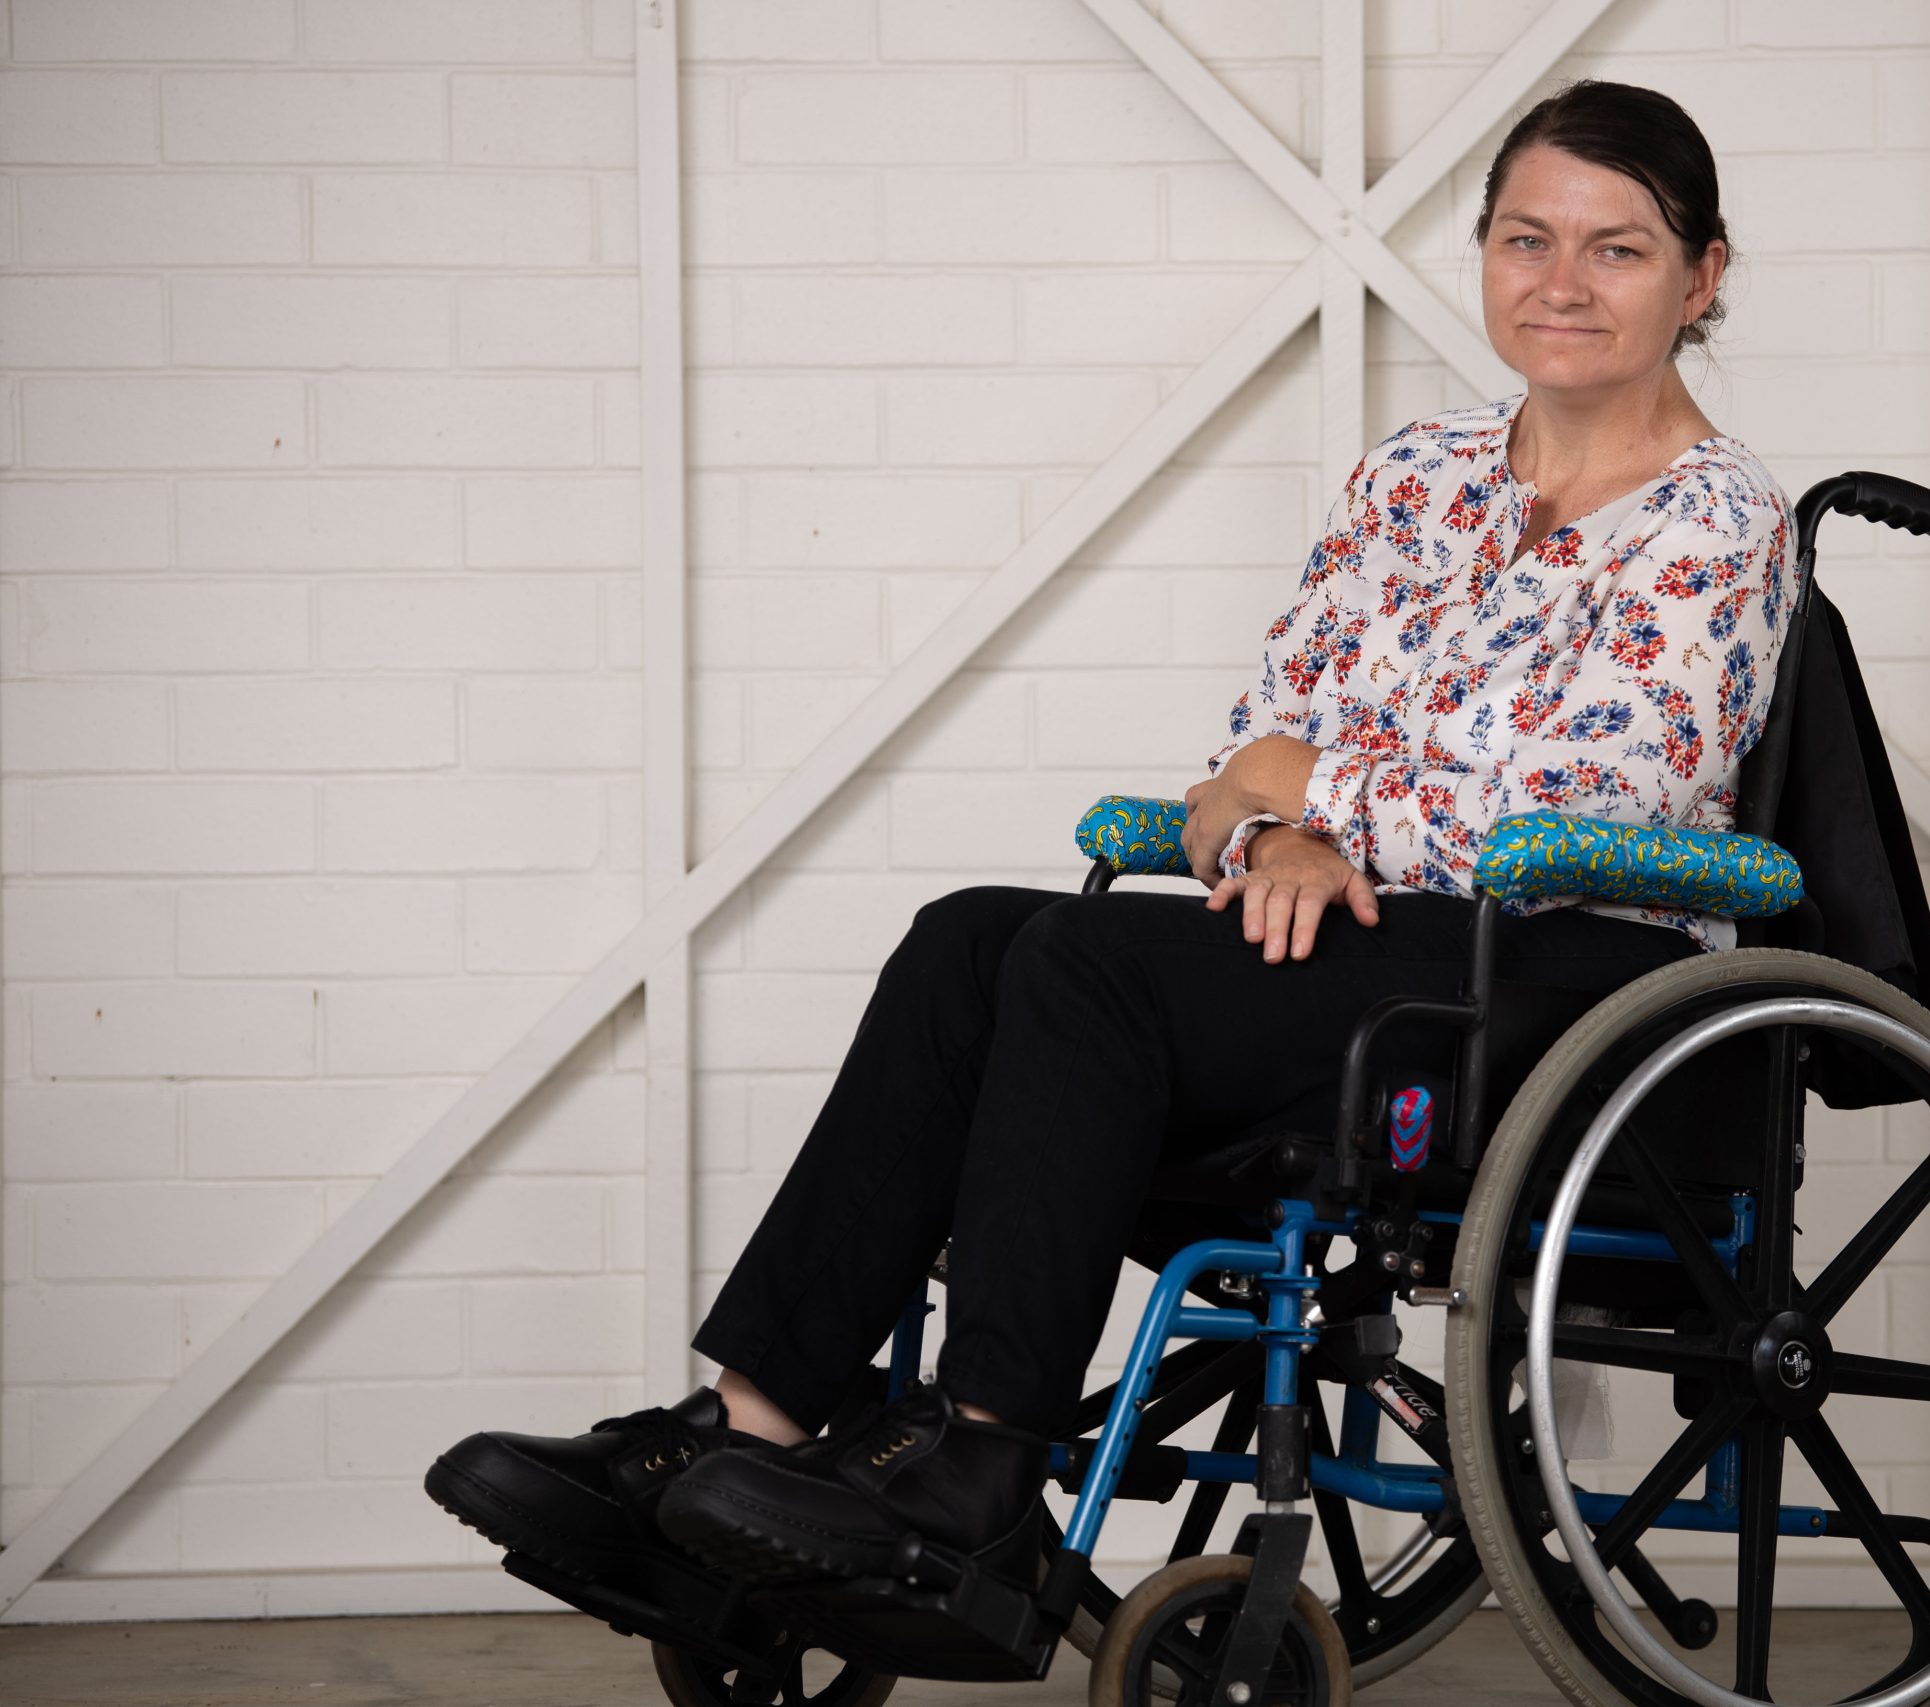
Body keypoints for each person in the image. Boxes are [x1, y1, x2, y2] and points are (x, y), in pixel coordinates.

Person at [424, 78, 1799, 1604]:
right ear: (1482, 252)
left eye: (1617, 249)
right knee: (973, 936)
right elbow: (1250, 745)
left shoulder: (1720, 520)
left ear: (1703, 276)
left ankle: (986, 1466)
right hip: (1359, 934)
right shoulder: (1417, 476)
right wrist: (1271, 823)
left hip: (1561, 964)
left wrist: (1299, 814)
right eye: (1527, 238)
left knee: (1088, 960)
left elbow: (1568, 806)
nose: (1560, 283)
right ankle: (740, 1433)